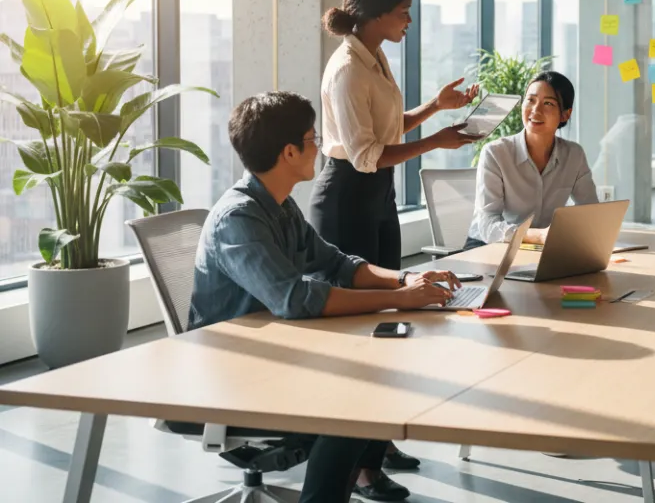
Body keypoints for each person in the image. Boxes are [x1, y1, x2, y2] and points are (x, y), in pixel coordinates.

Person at [189, 92, 463, 503]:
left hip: (276, 353)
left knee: (372, 382)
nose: (319, 145)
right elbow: (295, 299)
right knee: (352, 405)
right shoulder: (239, 220)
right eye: (312, 137)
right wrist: (402, 301)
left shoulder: (279, 207)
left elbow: (337, 264)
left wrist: (406, 278)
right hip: (234, 375)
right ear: (288, 152)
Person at [311, 0, 478, 472]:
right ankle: (358, 462)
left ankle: (375, 445)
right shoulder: (347, 70)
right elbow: (364, 154)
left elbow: (385, 129)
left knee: (393, 316)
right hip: (347, 197)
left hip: (376, 193)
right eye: (403, 11)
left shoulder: (374, 57)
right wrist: (435, 142)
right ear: (378, 14)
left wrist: (435, 108)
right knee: (365, 327)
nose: (409, 19)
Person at [466, 71, 597, 248]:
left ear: (565, 114)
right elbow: (487, 226)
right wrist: (537, 236)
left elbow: (591, 213)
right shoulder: (496, 153)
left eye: (548, 103)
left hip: (539, 248)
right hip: (488, 247)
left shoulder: (574, 155)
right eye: (530, 100)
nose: (536, 110)